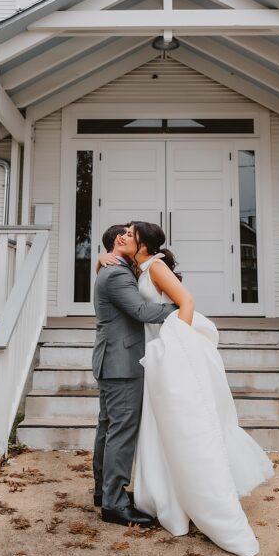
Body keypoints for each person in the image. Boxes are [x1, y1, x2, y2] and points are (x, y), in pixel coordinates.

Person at [101, 222, 274, 556]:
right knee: (158, 429)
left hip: (171, 352)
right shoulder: (136, 268)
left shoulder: (156, 267)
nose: (124, 235)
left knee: (186, 428)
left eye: (130, 232)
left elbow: (187, 302)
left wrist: (174, 347)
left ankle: (203, 501)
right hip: (153, 355)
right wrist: (101, 258)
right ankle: (166, 497)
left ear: (144, 243)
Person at [91, 224, 178, 527]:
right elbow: (141, 311)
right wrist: (178, 308)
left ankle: (104, 492)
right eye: (124, 235)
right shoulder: (116, 274)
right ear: (117, 242)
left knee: (108, 428)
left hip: (112, 360)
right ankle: (114, 503)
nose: (127, 237)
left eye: (131, 234)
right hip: (122, 363)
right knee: (121, 431)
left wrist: (99, 260)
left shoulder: (111, 269)